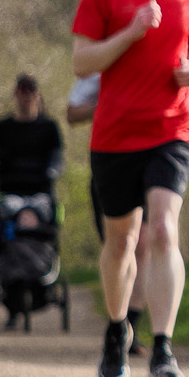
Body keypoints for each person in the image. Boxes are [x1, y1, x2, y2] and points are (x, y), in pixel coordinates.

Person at [71, 0, 189, 377]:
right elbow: (82, 63)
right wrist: (130, 34)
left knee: (162, 230)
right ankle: (115, 332)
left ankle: (164, 349)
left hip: (172, 128)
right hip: (115, 133)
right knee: (121, 242)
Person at [67, 72, 148, 357]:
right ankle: (120, 322)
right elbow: (72, 112)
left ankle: (132, 328)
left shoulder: (158, 57)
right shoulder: (105, 64)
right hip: (111, 163)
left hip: (153, 160)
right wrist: (107, 105)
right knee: (120, 247)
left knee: (146, 245)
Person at [0, 76, 65, 198]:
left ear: (37, 94)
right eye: (23, 90)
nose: (27, 95)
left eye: (31, 90)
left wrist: (52, 172)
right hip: (6, 192)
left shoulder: (49, 127)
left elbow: (57, 159)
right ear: (15, 93)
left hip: (40, 193)